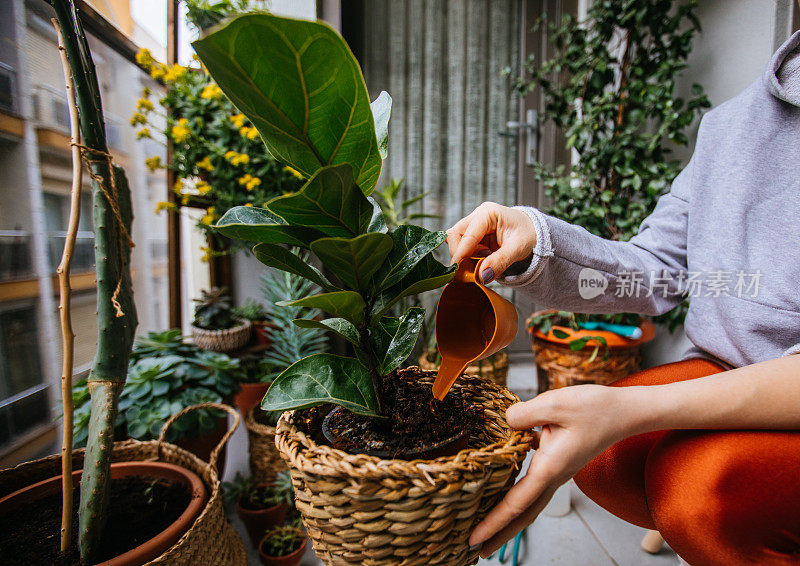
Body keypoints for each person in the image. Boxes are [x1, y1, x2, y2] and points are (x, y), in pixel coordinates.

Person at [451, 29, 800, 566]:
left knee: (701, 500)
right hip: (725, 368)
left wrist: (626, 407)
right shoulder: (734, 125)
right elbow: (658, 272)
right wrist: (535, 241)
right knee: (604, 459)